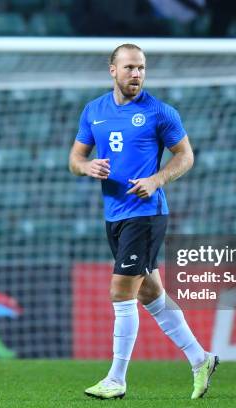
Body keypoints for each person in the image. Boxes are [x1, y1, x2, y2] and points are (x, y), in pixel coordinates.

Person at [69, 43, 219, 400]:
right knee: (152, 293)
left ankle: (116, 379)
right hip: (115, 215)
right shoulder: (94, 112)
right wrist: (86, 166)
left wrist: (157, 180)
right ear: (113, 70)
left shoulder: (160, 112)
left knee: (121, 291)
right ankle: (201, 359)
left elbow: (186, 155)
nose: (136, 74)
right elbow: (75, 157)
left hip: (147, 214)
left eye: (141, 68)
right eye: (130, 68)